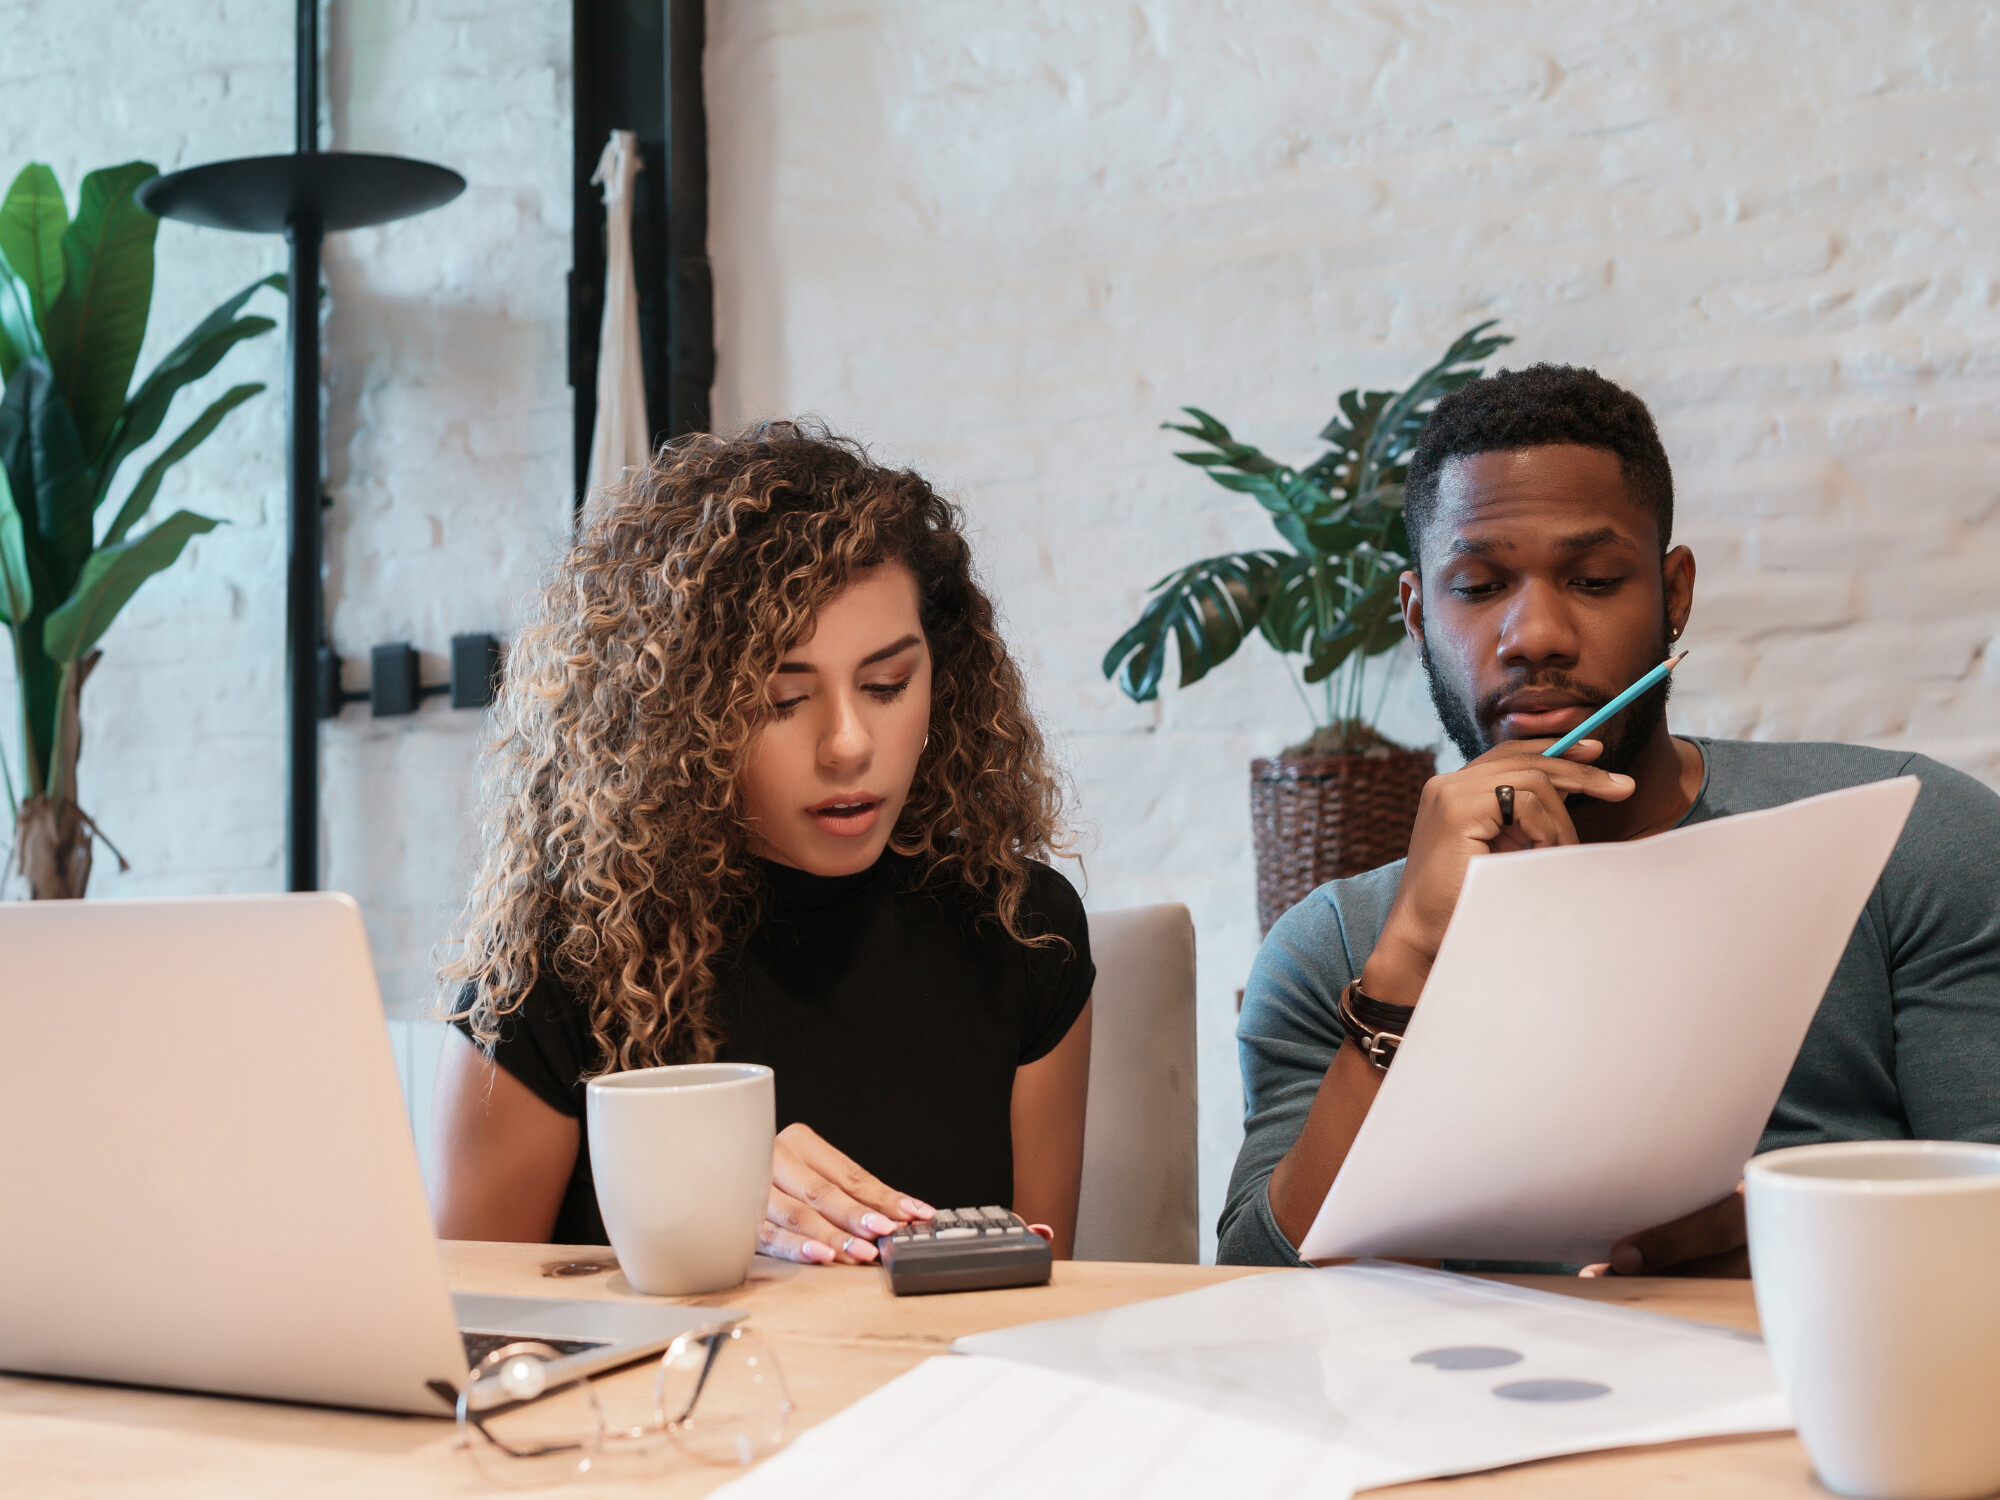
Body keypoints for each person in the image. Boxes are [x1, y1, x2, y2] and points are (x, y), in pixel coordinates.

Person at [1219, 363, 2000, 1274]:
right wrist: (1410, 961)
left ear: (1674, 595)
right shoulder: (1335, 950)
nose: (1535, 634)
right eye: (1475, 587)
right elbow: (1254, 1288)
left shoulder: (1909, 837)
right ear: (1416, 616)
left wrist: (1789, 1234)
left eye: (1592, 579)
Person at [432, 423, 1094, 1264]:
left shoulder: (1019, 928)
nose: (849, 744)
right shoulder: (560, 961)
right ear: (678, 718)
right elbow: (470, 1326)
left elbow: (1043, 1295)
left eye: (888, 685)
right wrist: (691, 1203)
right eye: (783, 700)